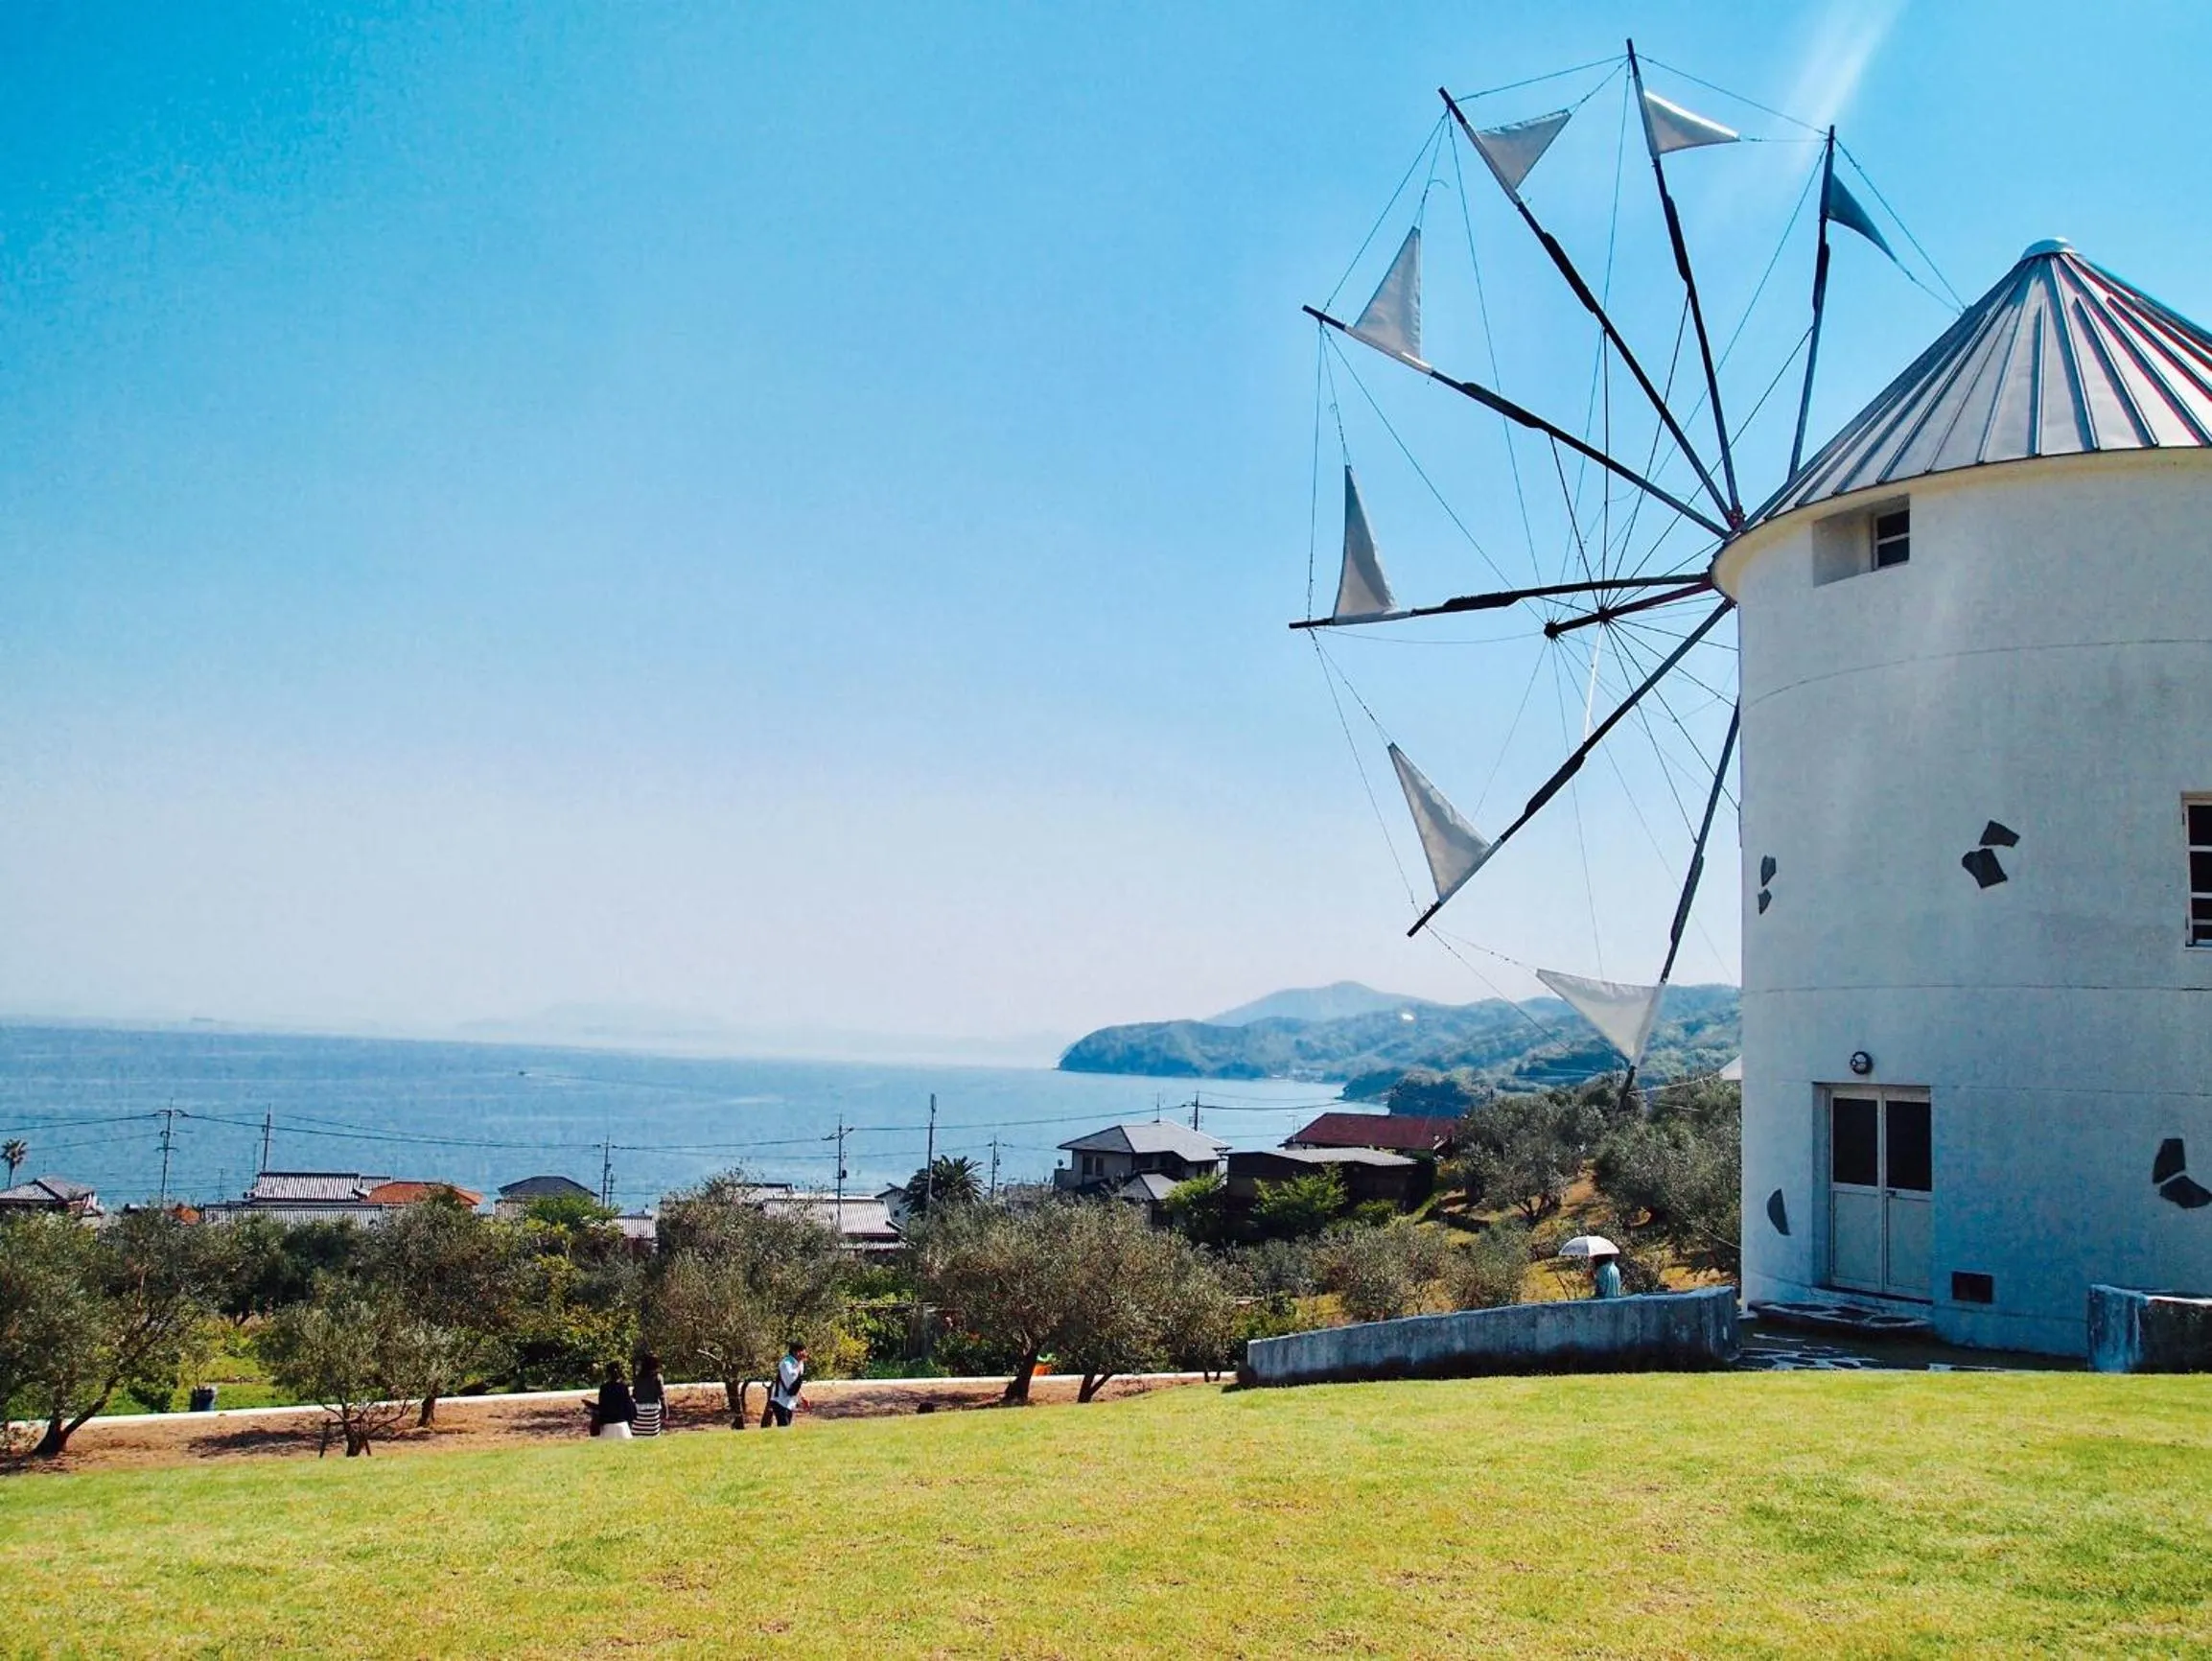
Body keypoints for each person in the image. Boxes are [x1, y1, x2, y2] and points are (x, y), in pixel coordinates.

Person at [760, 1341, 807, 1429]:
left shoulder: (800, 1364)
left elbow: (797, 1384)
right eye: (803, 1351)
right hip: (779, 1400)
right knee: (784, 1427)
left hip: (789, 1402)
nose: (805, 1354)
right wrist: (798, 1366)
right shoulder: (786, 1363)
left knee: (786, 1426)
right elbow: (790, 1382)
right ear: (796, 1352)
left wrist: (802, 1397)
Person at [586, 1361, 637, 1439]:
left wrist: (590, 1405)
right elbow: (628, 1407)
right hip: (623, 1427)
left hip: (607, 1427)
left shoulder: (604, 1388)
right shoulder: (623, 1387)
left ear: (608, 1373)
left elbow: (602, 1408)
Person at [632, 1353, 665, 1438]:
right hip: (652, 1414)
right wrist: (666, 1411)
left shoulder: (638, 1378)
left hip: (639, 1415)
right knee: (653, 1434)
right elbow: (662, 1396)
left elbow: (634, 1395)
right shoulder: (657, 1377)